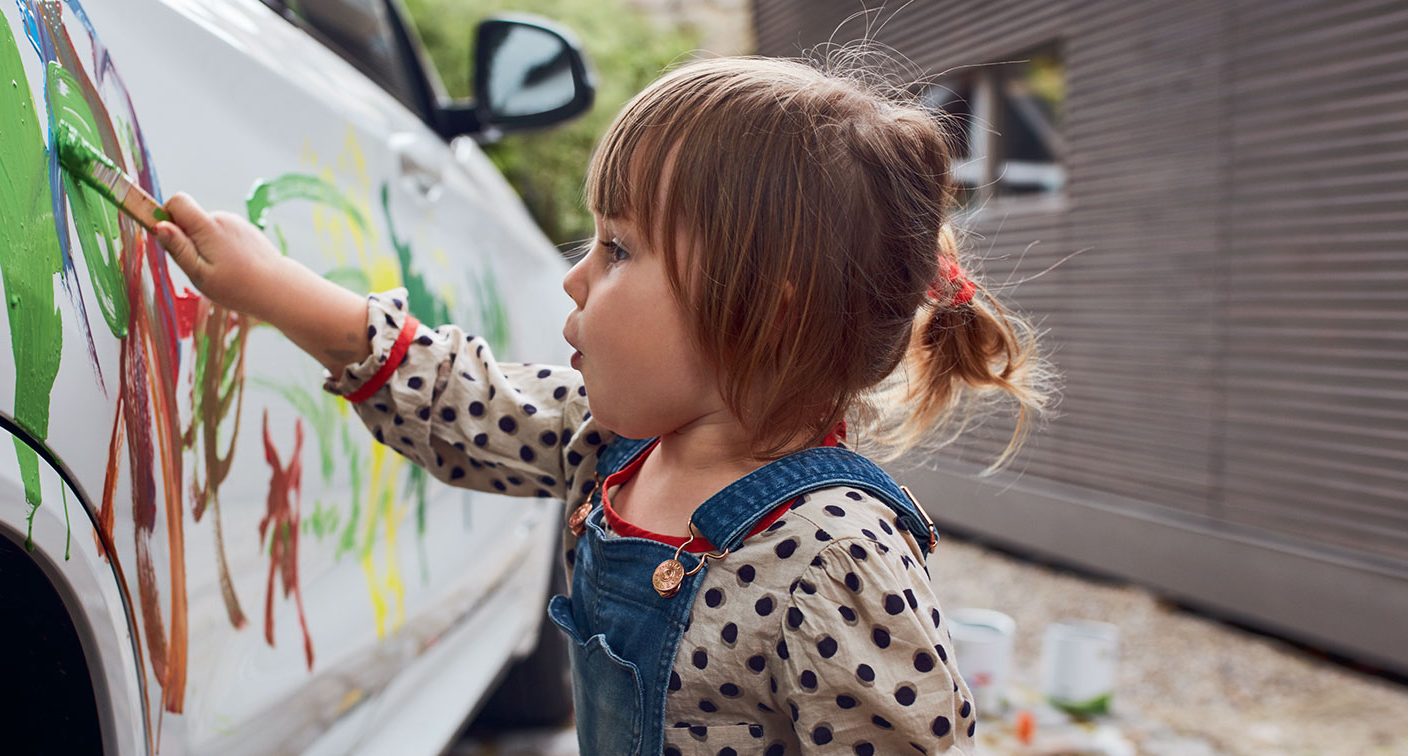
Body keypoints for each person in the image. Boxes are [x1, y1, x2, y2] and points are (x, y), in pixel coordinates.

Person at [153, 53, 1050, 756]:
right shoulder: (615, 447)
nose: (577, 276)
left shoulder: (836, 554)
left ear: (765, 308)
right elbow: (463, 402)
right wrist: (274, 289)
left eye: (618, 248)